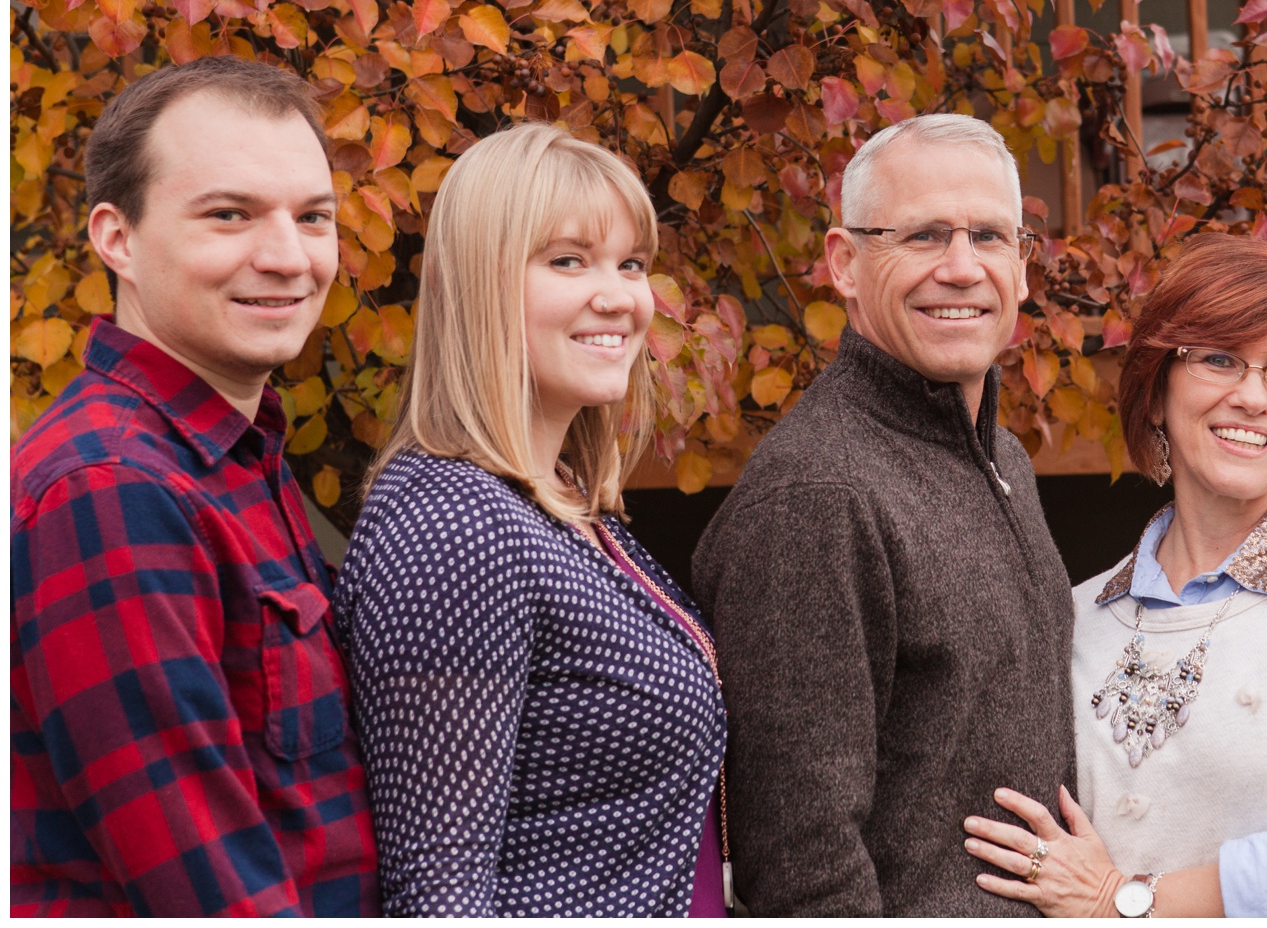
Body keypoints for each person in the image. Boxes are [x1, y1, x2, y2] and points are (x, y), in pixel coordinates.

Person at [961, 234, 1267, 917]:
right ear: (1155, 390)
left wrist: (1124, 901)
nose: (1253, 396)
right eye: (1220, 359)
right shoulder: (1076, 618)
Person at [10, 57, 378, 914]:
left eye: (313, 216)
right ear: (117, 238)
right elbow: (207, 889)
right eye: (229, 215)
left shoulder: (232, 453)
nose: (288, 257)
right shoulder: (114, 487)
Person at [334, 123, 727, 915]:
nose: (619, 295)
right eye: (568, 260)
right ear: (478, 281)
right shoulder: (455, 527)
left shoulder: (561, 502)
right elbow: (441, 889)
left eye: (632, 264)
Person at [691, 114, 1074, 915]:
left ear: (1024, 266)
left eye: (991, 237)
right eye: (926, 236)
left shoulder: (1004, 459)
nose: (963, 268)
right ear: (845, 262)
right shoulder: (817, 497)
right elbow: (802, 862)